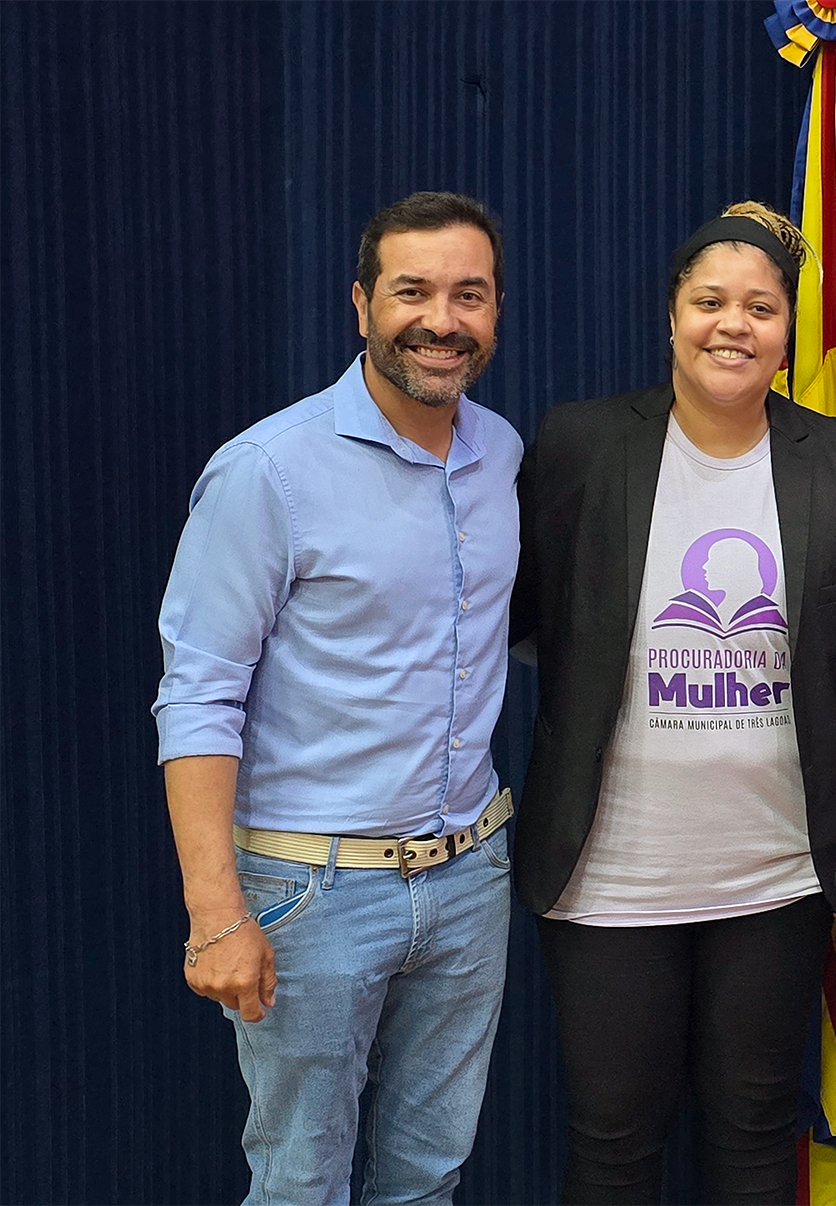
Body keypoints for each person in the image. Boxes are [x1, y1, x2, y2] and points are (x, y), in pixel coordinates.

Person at [511, 202, 836, 1206]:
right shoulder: (580, 445)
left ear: (786, 330)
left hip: (774, 874)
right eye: (710, 302)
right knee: (614, 1145)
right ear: (671, 314)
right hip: (610, 875)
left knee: (758, 1135)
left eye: (759, 308)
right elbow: (529, 617)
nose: (733, 325)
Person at [154, 191, 518, 1204]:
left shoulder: (503, 456)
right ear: (361, 304)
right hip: (309, 895)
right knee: (299, 1182)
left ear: (494, 314)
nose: (441, 319)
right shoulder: (267, 471)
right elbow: (198, 696)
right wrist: (215, 912)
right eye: (413, 291)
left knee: (427, 1179)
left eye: (469, 295)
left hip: (467, 879)